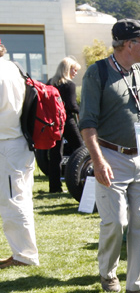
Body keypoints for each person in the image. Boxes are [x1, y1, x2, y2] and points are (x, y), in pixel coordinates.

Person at [80, 18, 140, 293]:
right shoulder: (97, 73)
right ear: (129, 44)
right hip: (111, 157)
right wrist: (98, 160)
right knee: (116, 222)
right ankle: (108, 273)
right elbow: (87, 123)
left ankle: (138, 284)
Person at [0, 37, 39, 269]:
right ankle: (24, 253)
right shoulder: (15, 67)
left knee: (14, 201)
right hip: (21, 141)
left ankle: (24, 256)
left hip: (7, 143)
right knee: (21, 199)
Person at [35, 56, 82, 193]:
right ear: (67, 69)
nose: (75, 73)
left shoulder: (50, 83)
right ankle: (83, 180)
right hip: (67, 121)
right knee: (82, 150)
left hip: (53, 123)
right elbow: (72, 106)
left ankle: (54, 187)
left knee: (55, 155)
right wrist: (82, 110)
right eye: (74, 70)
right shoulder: (70, 85)